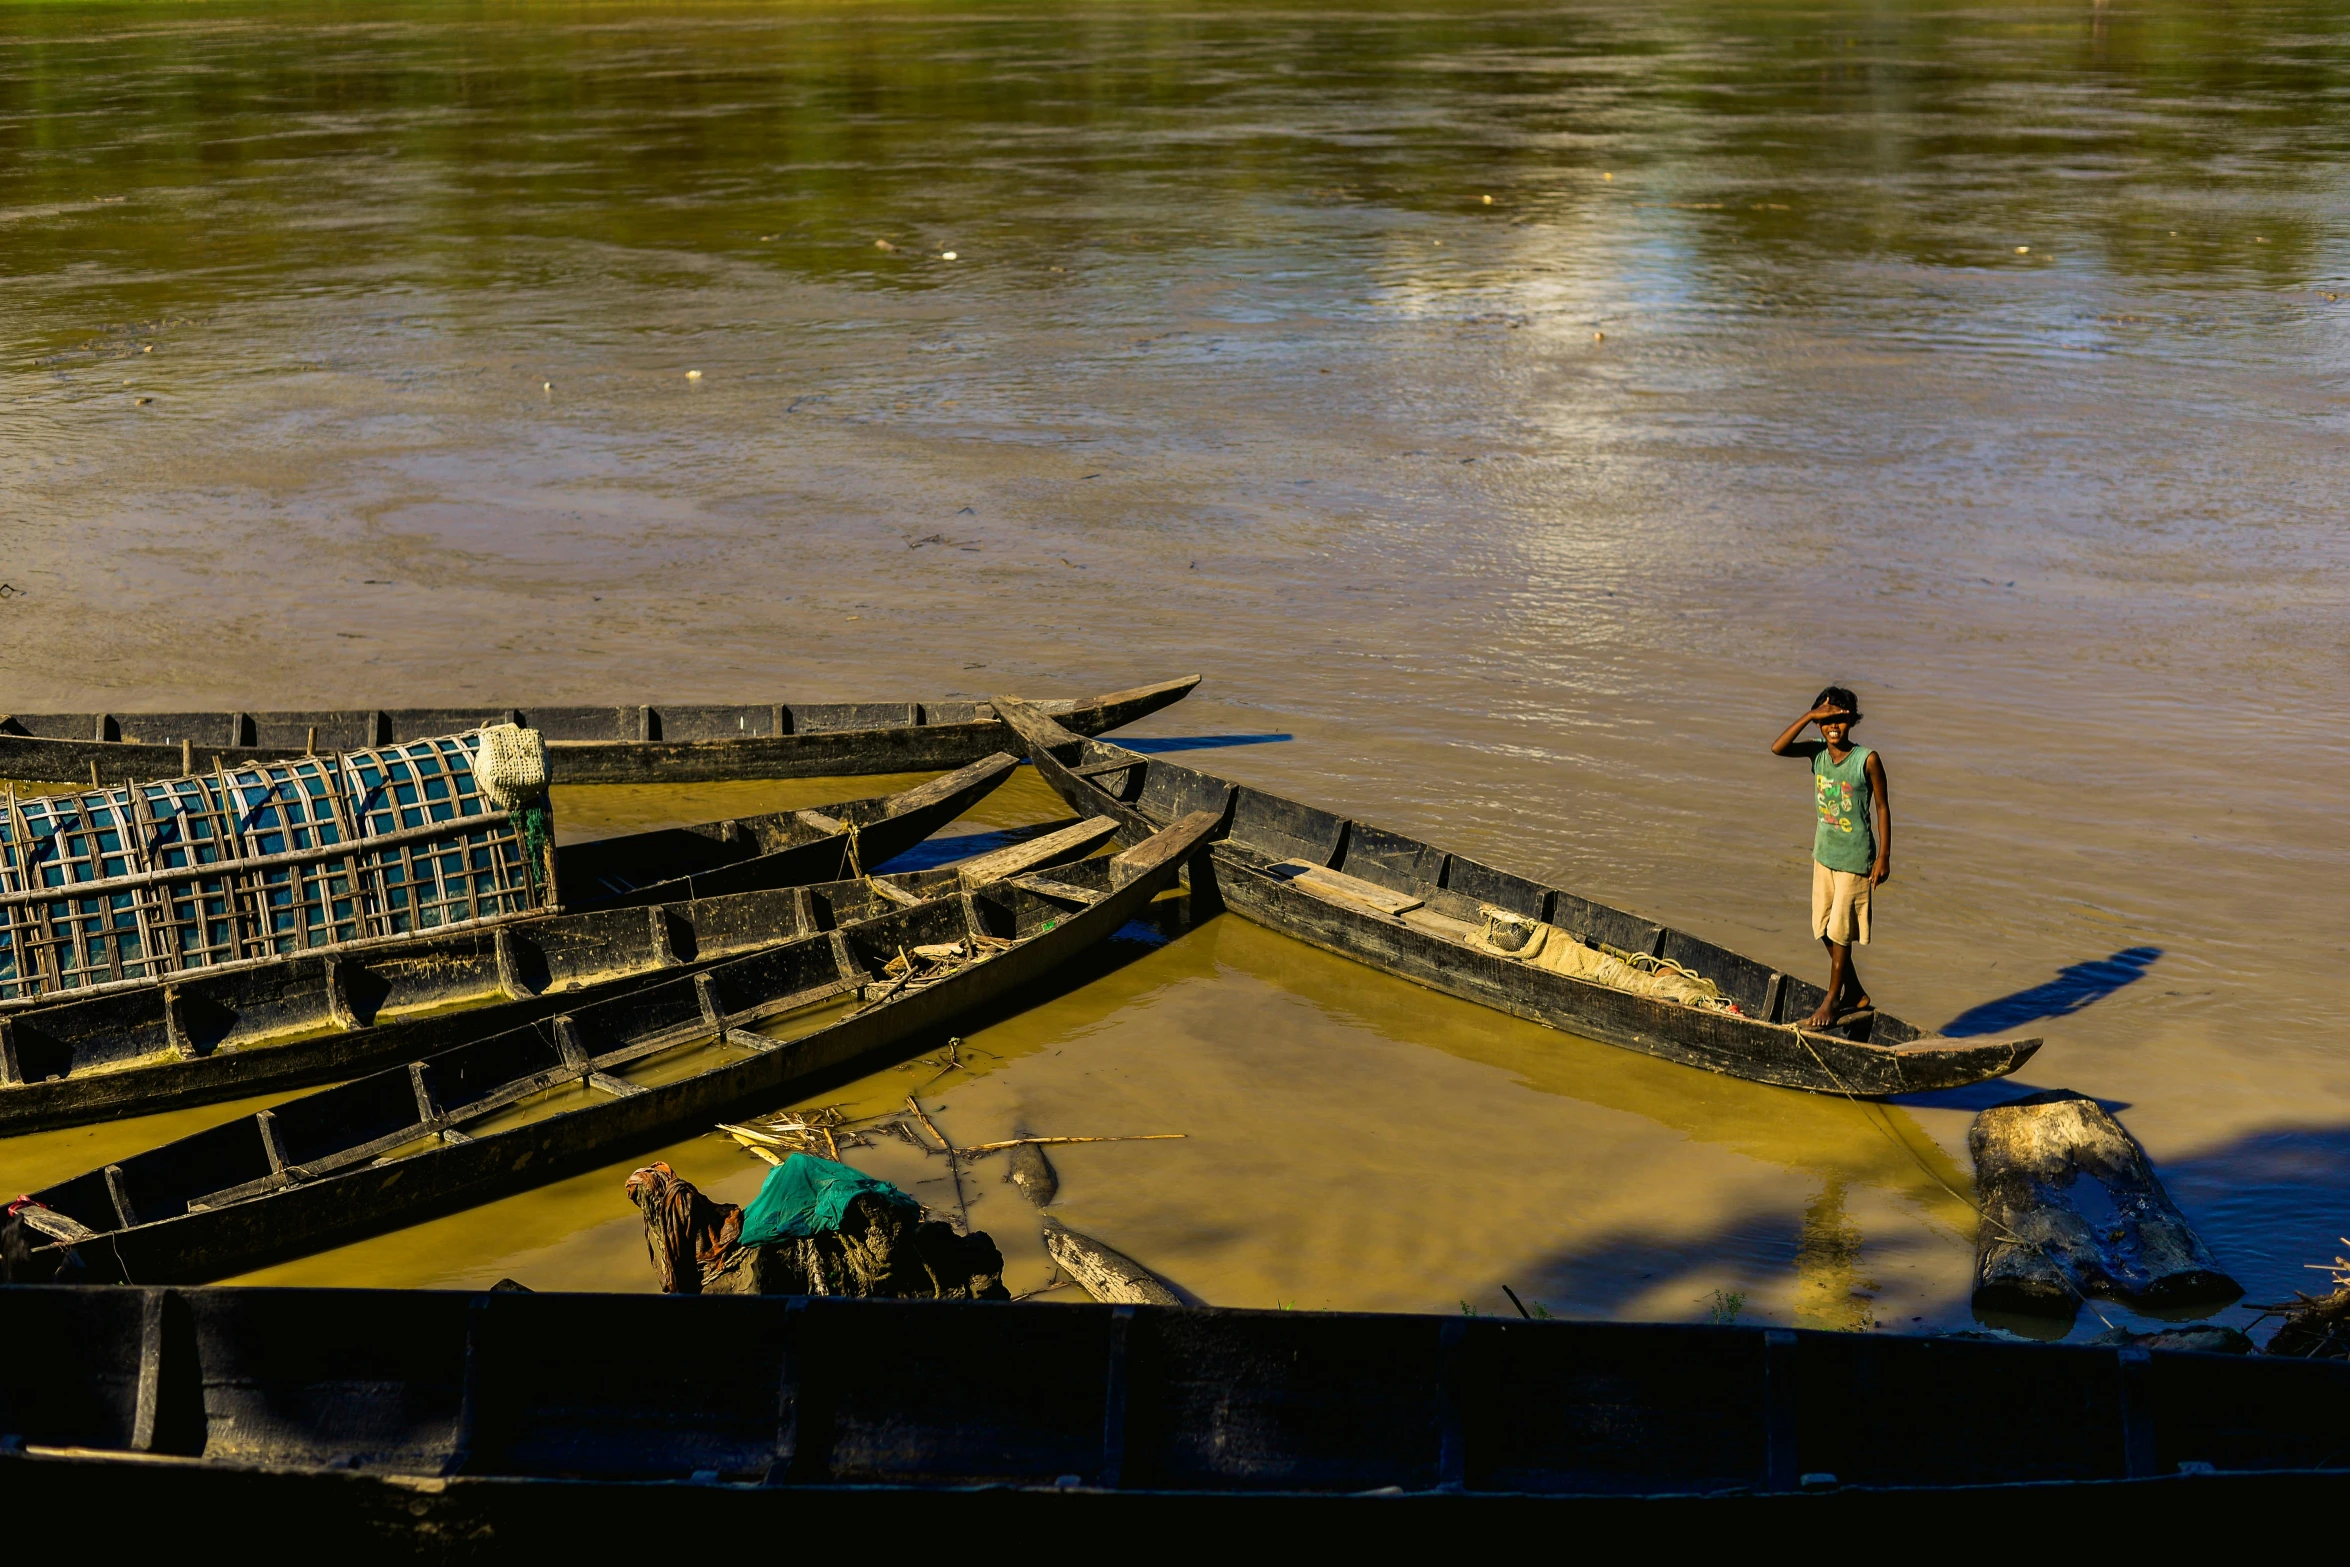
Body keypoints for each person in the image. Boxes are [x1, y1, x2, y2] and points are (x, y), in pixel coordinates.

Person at [1769, 685, 1892, 1028]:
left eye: (1840, 718)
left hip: (1855, 859)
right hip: (1824, 855)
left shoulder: (1866, 758)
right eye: (1826, 719)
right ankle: (1855, 991)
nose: (1833, 725)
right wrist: (1809, 716)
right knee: (1823, 926)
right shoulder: (1817, 753)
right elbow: (1777, 748)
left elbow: (1882, 807)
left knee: (1840, 932)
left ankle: (1832, 1001)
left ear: (1851, 720)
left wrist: (1884, 856)